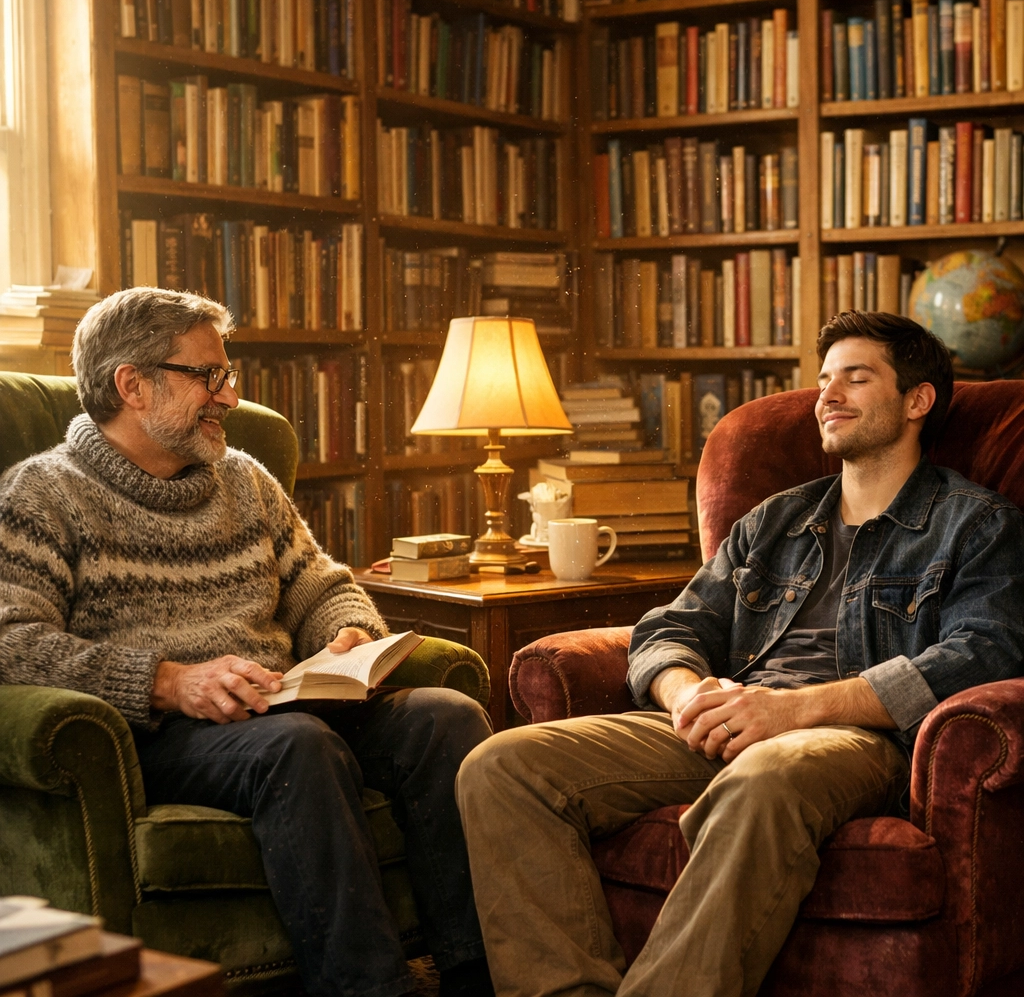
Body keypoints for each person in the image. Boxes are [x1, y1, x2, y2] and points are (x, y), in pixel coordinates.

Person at [455, 311, 1024, 997]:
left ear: (917, 400)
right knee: (502, 766)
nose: (828, 395)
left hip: (853, 734)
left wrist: (788, 712)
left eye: (856, 376)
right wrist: (686, 693)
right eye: (823, 379)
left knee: (763, 777)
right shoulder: (776, 519)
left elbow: (983, 653)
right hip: (733, 714)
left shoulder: (977, 524)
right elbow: (673, 625)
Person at [0, 287, 494, 997]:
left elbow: (322, 585)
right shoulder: (42, 495)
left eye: (225, 377)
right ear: (132, 385)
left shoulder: (245, 481)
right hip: (163, 732)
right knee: (298, 745)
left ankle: (479, 974)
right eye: (209, 376)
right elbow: (12, 643)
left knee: (446, 717)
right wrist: (167, 681)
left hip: (285, 702)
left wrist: (347, 635)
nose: (228, 397)